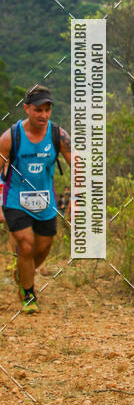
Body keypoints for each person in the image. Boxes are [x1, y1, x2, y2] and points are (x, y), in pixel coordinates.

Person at [0, 85, 71, 313]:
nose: (43, 115)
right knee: (25, 243)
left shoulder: (57, 135)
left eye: (47, 110)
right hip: (15, 198)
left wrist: (78, 198)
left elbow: (78, 165)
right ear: (27, 109)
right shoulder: (10, 137)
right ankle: (29, 294)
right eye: (38, 110)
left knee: (43, 246)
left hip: (45, 201)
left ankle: (22, 273)